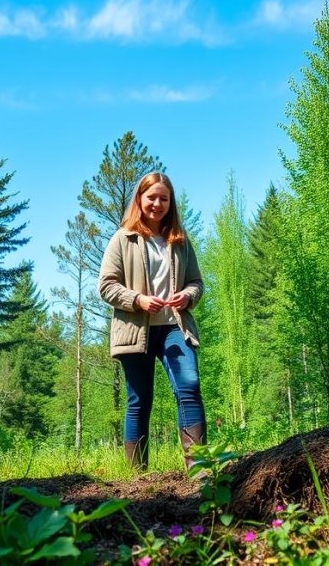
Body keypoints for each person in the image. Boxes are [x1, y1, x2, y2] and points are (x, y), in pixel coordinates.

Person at [99, 172, 207, 471]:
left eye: (164, 198)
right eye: (152, 197)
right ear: (140, 200)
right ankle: (138, 476)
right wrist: (138, 300)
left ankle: (199, 470)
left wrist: (188, 295)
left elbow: (197, 282)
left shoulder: (180, 241)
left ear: (171, 203)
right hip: (136, 330)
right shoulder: (123, 239)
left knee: (189, 385)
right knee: (139, 399)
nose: (157, 204)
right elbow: (106, 285)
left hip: (175, 326)